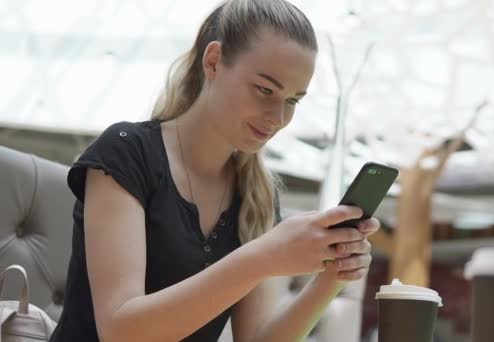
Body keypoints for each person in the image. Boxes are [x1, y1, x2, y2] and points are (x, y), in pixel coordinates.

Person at [49, 0, 380, 341]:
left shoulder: (256, 195)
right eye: (265, 89)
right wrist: (265, 256)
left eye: (293, 100)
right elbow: (121, 331)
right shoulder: (127, 152)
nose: (278, 117)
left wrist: (331, 279)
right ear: (213, 61)